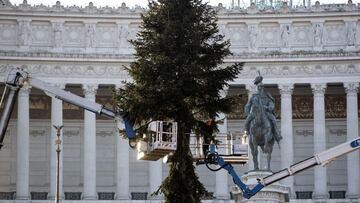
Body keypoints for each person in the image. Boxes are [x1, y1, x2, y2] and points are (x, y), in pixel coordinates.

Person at [244, 72, 282, 143]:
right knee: (247, 120)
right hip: (255, 112)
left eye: (261, 87)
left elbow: (271, 103)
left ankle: (277, 134)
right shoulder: (254, 96)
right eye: (259, 87)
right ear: (257, 87)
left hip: (266, 112)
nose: (260, 88)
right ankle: (246, 131)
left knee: (273, 120)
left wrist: (269, 107)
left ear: (263, 88)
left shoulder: (267, 95)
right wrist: (247, 113)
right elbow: (248, 105)